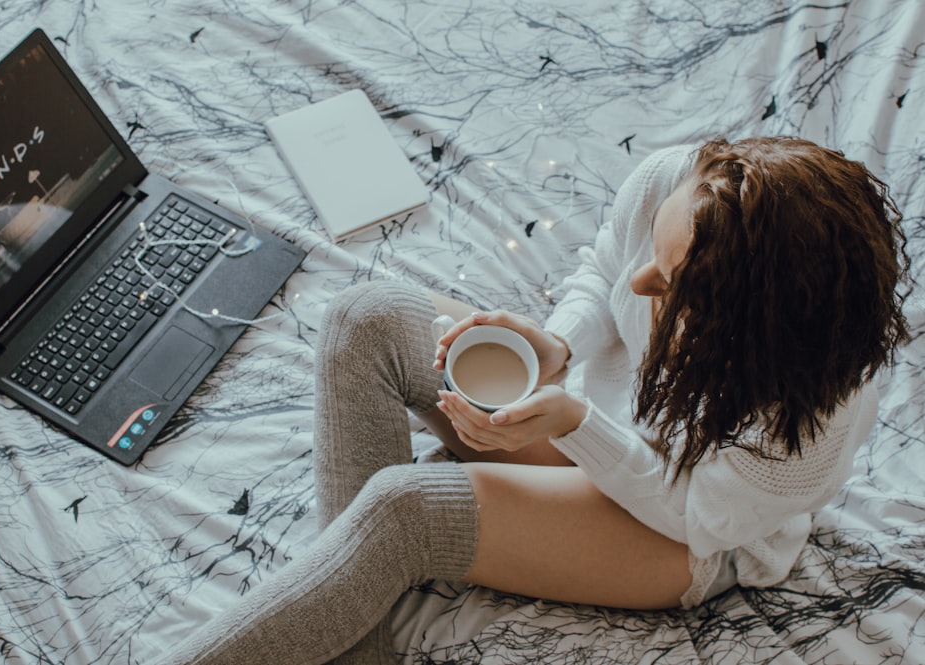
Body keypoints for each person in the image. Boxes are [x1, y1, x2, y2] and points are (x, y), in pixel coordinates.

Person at [160, 136, 910, 664]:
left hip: (686, 532)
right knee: (369, 318)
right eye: (660, 251)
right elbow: (605, 265)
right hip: (602, 426)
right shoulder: (681, 182)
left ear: (752, 344)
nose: (644, 281)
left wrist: (577, 423)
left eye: (674, 290)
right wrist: (558, 347)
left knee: (403, 509)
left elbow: (694, 512)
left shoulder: (805, 433)